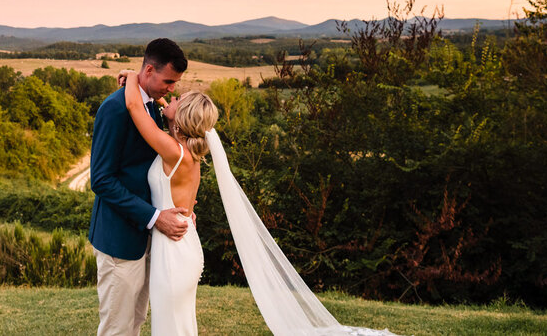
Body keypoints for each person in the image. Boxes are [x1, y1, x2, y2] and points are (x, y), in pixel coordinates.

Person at [119, 73, 401, 336]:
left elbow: (133, 106)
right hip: (184, 245)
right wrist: (158, 98)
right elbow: (168, 118)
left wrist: (133, 76)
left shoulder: (172, 151)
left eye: (177, 101)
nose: (172, 99)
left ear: (179, 121)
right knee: (179, 324)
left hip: (173, 254)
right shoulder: (186, 152)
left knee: (170, 326)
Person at [88, 38, 192, 336]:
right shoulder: (115, 109)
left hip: (146, 239)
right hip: (119, 239)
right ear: (149, 70)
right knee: (117, 328)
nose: (171, 89)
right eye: (168, 81)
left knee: (136, 322)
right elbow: (102, 180)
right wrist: (156, 217)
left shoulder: (152, 106)